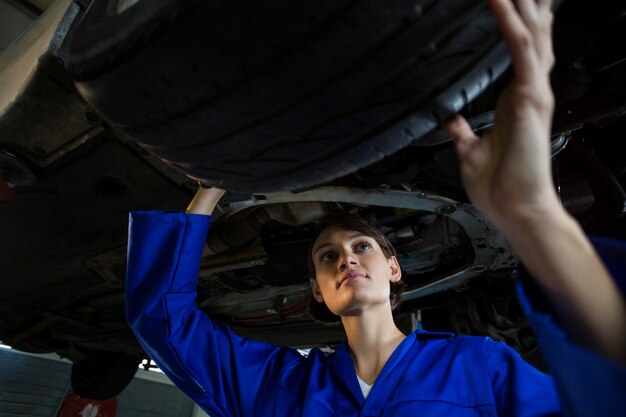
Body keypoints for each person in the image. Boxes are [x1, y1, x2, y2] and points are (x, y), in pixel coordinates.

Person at [125, 0, 626, 416]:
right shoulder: (279, 387)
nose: (345, 258)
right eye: (326, 257)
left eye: (360, 246)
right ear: (317, 295)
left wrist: (537, 216)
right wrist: (210, 188)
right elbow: (164, 321)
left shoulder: (477, 366)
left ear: (394, 267)